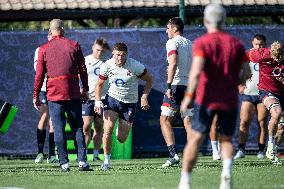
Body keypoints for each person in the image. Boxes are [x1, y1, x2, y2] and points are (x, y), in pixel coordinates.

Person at [178, 4, 251, 189]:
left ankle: (185, 181)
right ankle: (226, 173)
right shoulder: (236, 43)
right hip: (229, 99)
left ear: (205, 20)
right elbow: (246, 72)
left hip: (206, 99)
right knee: (226, 139)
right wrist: (237, 81)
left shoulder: (202, 42)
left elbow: (195, 72)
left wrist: (188, 96)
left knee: (195, 138)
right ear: (224, 20)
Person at [33, 19, 90, 172]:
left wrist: (35, 95)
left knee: (58, 128)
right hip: (72, 93)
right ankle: (82, 162)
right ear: (63, 30)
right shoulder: (74, 44)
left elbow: (39, 76)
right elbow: (83, 70)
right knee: (77, 127)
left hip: (53, 94)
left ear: (50, 31)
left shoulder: (43, 49)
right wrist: (85, 89)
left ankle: (64, 163)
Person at [94, 42, 153, 170]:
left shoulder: (135, 66)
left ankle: (120, 127)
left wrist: (144, 97)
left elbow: (149, 79)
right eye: (117, 55)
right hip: (112, 100)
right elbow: (99, 84)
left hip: (130, 104)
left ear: (127, 55)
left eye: (122, 55)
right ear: (113, 54)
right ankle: (106, 161)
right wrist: (98, 101)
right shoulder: (107, 65)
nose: (119, 58)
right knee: (107, 129)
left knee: (121, 139)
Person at [160, 17, 193, 168]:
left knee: (165, 120)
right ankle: (191, 155)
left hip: (176, 85)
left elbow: (172, 63)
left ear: (174, 28)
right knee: (188, 120)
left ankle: (173, 155)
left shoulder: (172, 42)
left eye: (168, 28)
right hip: (189, 86)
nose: (166, 31)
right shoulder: (189, 43)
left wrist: (168, 85)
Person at [248, 41, 284, 165]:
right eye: (275, 56)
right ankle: (269, 147)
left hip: (282, 92)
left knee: (281, 128)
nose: (277, 59)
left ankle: (273, 149)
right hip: (267, 90)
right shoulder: (261, 53)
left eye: (280, 57)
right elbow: (245, 56)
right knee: (276, 112)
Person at [234, 34, 268, 160]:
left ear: (265, 44)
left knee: (262, 122)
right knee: (244, 122)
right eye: (256, 44)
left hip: (263, 94)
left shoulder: (269, 56)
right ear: (252, 44)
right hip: (248, 93)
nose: (258, 47)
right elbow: (239, 70)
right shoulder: (247, 54)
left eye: (261, 44)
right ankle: (241, 150)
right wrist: (240, 84)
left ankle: (261, 150)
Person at [82, 38, 110, 161]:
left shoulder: (107, 62)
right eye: (97, 50)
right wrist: (81, 90)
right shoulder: (85, 60)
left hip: (102, 99)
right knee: (86, 126)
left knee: (99, 127)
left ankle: (95, 155)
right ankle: (82, 154)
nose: (99, 53)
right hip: (88, 99)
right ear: (93, 47)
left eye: (102, 51)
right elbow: (78, 77)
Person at [34, 31, 59, 164]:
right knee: (44, 116)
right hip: (44, 88)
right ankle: (39, 153)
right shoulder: (40, 50)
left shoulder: (60, 49)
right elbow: (38, 69)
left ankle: (51, 155)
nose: (53, 39)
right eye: (51, 37)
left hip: (56, 89)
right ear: (48, 37)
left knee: (54, 121)